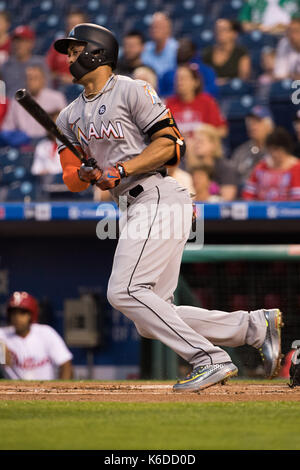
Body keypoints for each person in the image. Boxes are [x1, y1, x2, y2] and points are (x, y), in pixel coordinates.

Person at [53, 22, 283, 392]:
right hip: (131, 207)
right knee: (150, 315)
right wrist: (85, 173)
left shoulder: (131, 89)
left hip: (156, 196)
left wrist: (121, 168)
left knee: (124, 291)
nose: (68, 56)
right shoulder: (67, 116)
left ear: (97, 51)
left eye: (75, 49)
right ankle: (253, 327)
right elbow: (70, 177)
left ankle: (209, 358)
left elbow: (172, 145)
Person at [0, 291, 73, 380]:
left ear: (31, 315)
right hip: (15, 391)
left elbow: (66, 364)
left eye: (22, 313)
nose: (17, 317)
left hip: (45, 390)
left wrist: (61, 392)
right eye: (14, 313)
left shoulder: (46, 333)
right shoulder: (3, 335)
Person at [1, 65, 67, 139]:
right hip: (24, 143)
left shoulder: (56, 98)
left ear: (43, 80)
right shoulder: (17, 101)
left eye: (35, 78)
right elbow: (7, 128)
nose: (31, 81)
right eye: (29, 78)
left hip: (47, 140)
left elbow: (64, 127)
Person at [165, 64, 228, 139]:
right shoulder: (169, 103)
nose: (179, 82)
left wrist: (203, 136)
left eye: (184, 78)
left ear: (196, 82)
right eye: (177, 79)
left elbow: (222, 130)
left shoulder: (207, 102)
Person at [242, 126, 300, 200]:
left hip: (287, 210)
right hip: (261, 209)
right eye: (271, 150)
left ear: (286, 149)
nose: (274, 154)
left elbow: (297, 200)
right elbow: (248, 195)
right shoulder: (261, 167)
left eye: (278, 150)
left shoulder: (297, 168)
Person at [187, 124, 238, 201]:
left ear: (213, 145)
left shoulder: (226, 168)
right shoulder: (191, 166)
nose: (197, 145)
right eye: (195, 141)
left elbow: (227, 198)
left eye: (201, 141)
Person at [231, 105, 274, 188]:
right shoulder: (240, 151)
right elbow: (232, 177)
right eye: (250, 122)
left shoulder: (277, 150)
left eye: (258, 121)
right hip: (243, 196)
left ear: (269, 125)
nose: (252, 126)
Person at [0, 25, 48, 98]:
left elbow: (47, 88)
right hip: (10, 105)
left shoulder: (40, 63)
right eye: (16, 41)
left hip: (33, 102)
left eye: (23, 41)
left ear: (31, 43)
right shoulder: (5, 65)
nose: (18, 45)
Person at [46, 8, 89, 88]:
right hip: (61, 89)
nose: (74, 28)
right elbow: (47, 72)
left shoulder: (92, 46)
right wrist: (59, 77)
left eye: (77, 25)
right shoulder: (58, 45)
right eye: (71, 25)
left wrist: (74, 80)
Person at [202, 18, 251, 85]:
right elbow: (202, 76)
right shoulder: (207, 53)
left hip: (234, 91)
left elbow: (244, 79)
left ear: (234, 33)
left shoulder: (241, 53)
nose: (219, 32)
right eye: (217, 29)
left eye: (224, 29)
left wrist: (226, 82)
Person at [141, 12, 178, 95]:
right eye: (153, 27)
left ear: (168, 29)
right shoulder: (146, 48)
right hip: (148, 91)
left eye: (159, 26)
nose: (155, 29)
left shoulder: (176, 48)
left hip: (170, 91)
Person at [31, 110, 62, 175]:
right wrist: (42, 172)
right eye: (51, 126)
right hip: (45, 182)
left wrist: (50, 171)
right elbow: (35, 169)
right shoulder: (41, 146)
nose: (55, 129)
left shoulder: (74, 146)